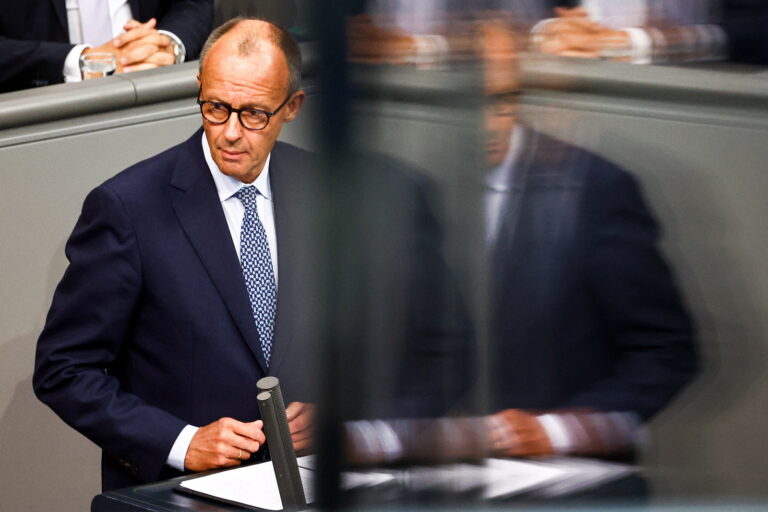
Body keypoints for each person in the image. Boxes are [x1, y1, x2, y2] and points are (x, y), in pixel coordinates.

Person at [33, 16, 469, 491]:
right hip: (180, 496)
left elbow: (427, 349)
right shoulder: (128, 208)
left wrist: (349, 422)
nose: (231, 133)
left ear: (292, 107)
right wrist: (182, 442)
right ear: (200, 88)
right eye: (216, 107)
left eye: (254, 113)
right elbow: (64, 369)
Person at [0, 0, 213, 93]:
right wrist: (80, 61)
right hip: (38, 116)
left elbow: (191, 3)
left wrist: (166, 44)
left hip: (158, 90)